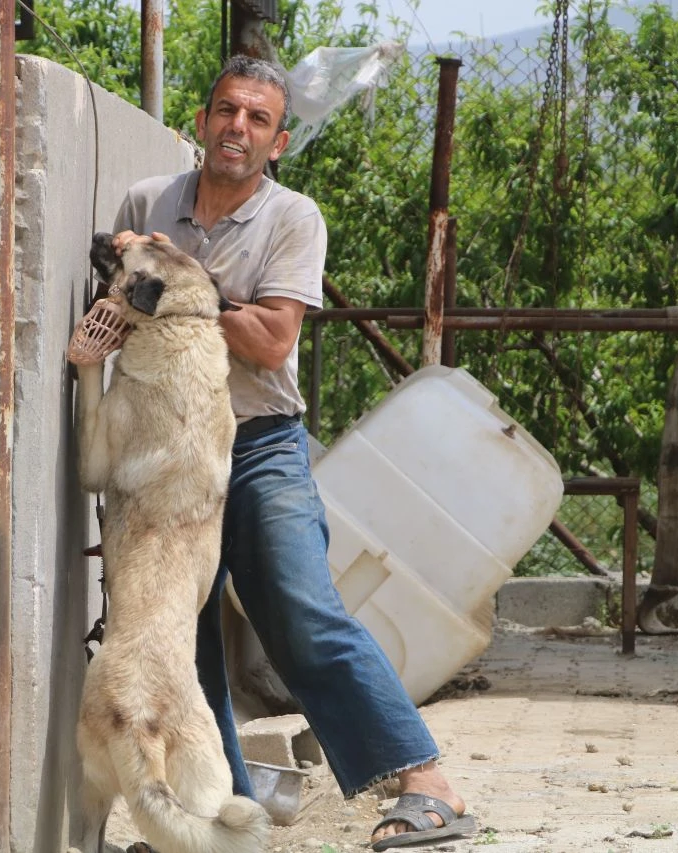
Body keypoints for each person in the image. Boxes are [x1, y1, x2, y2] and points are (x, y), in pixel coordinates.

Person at [110, 54, 476, 850]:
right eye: (227, 111)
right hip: (169, 450)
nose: (237, 128)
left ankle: (428, 783)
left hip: (261, 445)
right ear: (203, 121)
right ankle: (214, 816)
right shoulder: (147, 203)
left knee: (300, 608)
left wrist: (178, 273)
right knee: (180, 635)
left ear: (277, 141)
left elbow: (272, 343)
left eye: (257, 119)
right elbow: (128, 304)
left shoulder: (292, 218)